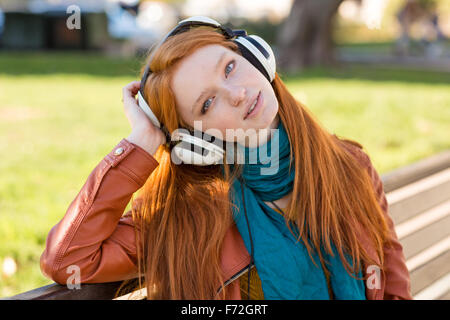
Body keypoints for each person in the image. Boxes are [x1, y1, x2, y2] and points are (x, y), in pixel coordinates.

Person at [40, 16, 412, 300]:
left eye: (229, 67)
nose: (235, 94)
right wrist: (142, 142)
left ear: (257, 56)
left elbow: (393, 287)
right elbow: (69, 259)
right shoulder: (183, 215)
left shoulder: (350, 166)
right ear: (193, 141)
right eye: (206, 102)